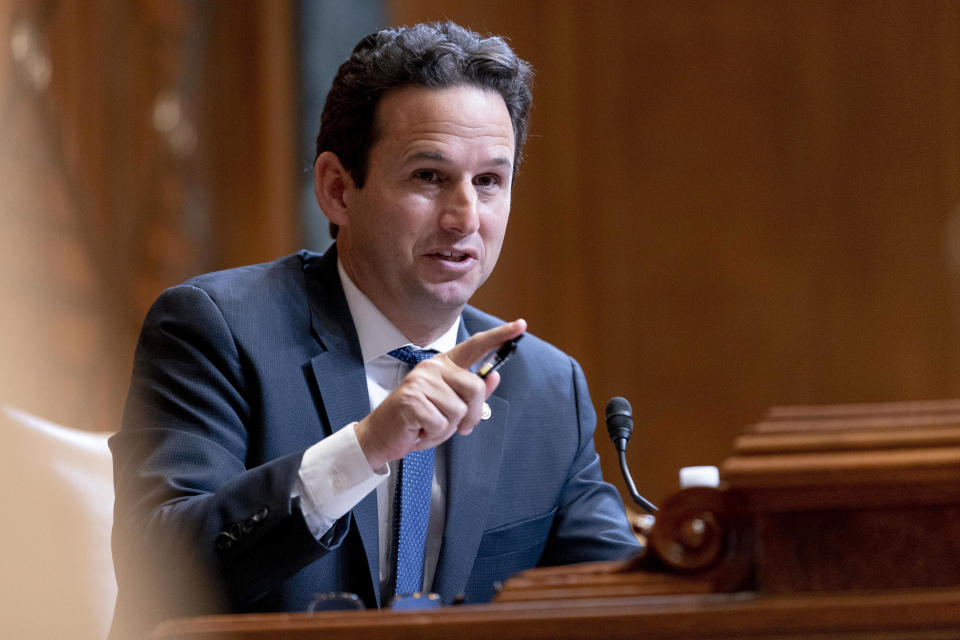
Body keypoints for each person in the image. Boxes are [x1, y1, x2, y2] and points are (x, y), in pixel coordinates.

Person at [109, 21, 640, 639]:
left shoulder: (546, 385)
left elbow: (622, 594)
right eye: (429, 177)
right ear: (337, 189)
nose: (464, 217)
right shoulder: (217, 328)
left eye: (490, 181)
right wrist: (364, 448)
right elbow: (159, 572)